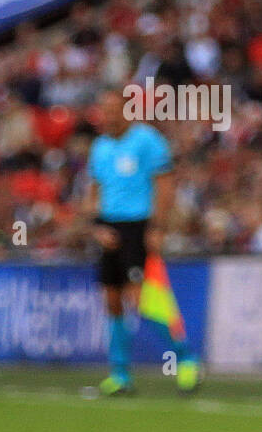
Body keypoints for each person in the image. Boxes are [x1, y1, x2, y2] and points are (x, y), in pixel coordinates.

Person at [84, 89, 199, 395]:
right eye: (103, 111)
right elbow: (93, 193)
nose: (107, 117)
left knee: (142, 300)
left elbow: (165, 185)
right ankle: (120, 374)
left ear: (126, 110)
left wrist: (157, 227)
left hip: (138, 226)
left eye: (112, 110)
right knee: (111, 299)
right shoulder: (100, 147)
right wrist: (97, 227)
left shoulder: (147, 140)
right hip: (109, 227)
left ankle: (184, 357)